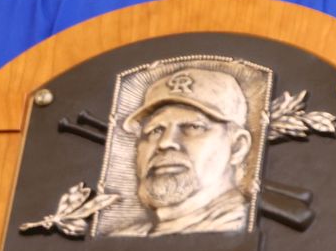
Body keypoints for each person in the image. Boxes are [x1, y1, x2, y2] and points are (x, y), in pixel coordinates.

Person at [110, 67, 257, 237]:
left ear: (237, 147)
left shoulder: (243, 226)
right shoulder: (123, 238)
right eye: (155, 130)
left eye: (194, 127)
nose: (165, 142)